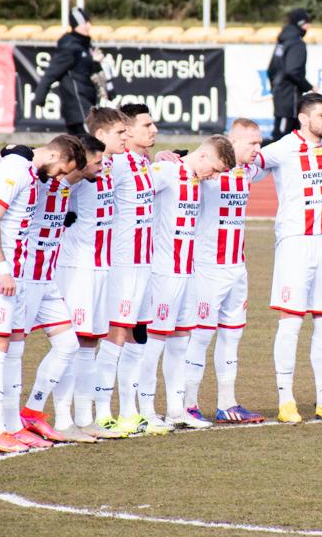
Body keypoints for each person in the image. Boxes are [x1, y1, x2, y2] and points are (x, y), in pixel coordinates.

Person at [0, 135, 83, 452]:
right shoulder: (16, 168)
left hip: (16, 271)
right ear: (55, 155)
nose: (60, 177)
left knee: (13, 345)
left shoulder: (30, 173)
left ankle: (14, 427)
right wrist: (2, 268)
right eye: (62, 170)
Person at [255, 93, 322, 423]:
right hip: (295, 243)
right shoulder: (283, 147)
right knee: (291, 322)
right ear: (304, 119)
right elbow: (251, 163)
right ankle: (285, 400)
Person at [137, 136, 236, 430]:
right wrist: (154, 160)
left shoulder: (195, 177)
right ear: (203, 156)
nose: (214, 177)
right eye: (214, 169)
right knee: (154, 343)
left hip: (187, 271)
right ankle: (145, 411)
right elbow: (134, 191)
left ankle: (175, 410)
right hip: (163, 273)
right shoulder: (167, 172)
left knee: (180, 342)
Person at [19, 134, 107, 444]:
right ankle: (9, 424)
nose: (103, 167)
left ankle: (32, 412)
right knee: (9, 349)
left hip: (47, 279)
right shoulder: (38, 182)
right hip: (26, 277)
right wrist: (12, 151)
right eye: (98, 162)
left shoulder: (68, 187)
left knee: (68, 344)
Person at [182, 119, 267, 424]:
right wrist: (171, 155)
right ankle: (188, 404)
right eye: (252, 143)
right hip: (207, 268)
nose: (257, 149)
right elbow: (186, 163)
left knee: (232, 336)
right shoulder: (208, 172)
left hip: (237, 268)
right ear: (232, 141)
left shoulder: (250, 170)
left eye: (260, 143)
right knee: (201, 336)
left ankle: (227, 404)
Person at [53, 107, 130, 440]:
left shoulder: (111, 166)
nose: (126, 137)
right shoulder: (81, 168)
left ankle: (85, 418)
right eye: (120, 133)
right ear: (100, 136)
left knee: (90, 343)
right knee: (72, 342)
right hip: (78, 267)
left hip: (102, 267)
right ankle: (62, 419)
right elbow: (53, 190)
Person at [96, 103, 166, 436]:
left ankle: (129, 411)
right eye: (146, 125)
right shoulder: (117, 164)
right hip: (122, 265)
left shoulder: (143, 164)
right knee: (117, 335)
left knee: (138, 336)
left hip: (144, 264)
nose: (153, 130)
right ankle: (101, 413)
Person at [34, 7, 107, 136]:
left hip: (87, 102)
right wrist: (40, 97)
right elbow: (52, 73)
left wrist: (95, 62)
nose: (89, 26)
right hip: (77, 105)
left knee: (81, 144)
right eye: (85, 23)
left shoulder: (85, 46)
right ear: (76, 25)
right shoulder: (70, 47)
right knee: (91, 141)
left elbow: (88, 71)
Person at [267, 8, 315, 141]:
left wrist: (275, 88)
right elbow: (293, 71)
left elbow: (271, 69)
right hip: (290, 97)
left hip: (280, 94)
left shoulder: (283, 41)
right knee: (283, 138)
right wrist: (309, 87)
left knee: (289, 135)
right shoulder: (297, 43)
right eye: (307, 23)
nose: (308, 27)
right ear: (300, 23)